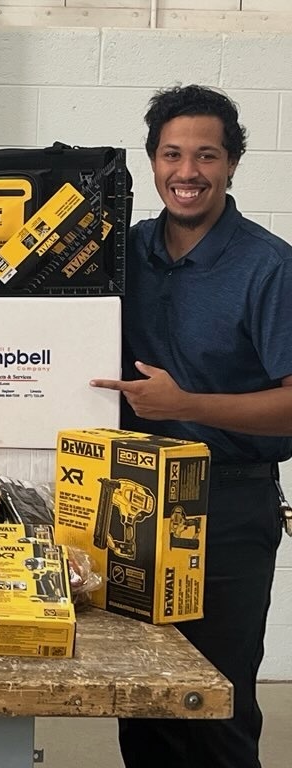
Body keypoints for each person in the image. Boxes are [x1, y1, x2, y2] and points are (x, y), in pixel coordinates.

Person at [90, 84, 292, 768]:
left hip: (227, 505)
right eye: (172, 154)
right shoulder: (121, 256)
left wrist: (187, 404)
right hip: (131, 498)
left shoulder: (268, 267)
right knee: (141, 702)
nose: (188, 172)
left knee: (215, 705)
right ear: (151, 163)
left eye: (206, 155)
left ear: (233, 163)